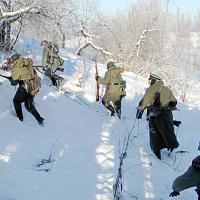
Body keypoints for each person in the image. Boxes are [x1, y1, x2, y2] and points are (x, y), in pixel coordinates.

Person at [136, 72, 179, 159]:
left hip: (156, 116)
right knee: (169, 132)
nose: (150, 82)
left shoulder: (151, 89)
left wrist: (139, 113)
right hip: (168, 115)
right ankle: (171, 148)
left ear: (154, 80)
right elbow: (174, 102)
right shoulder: (167, 89)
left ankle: (157, 152)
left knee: (155, 134)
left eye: (151, 80)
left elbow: (144, 102)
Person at [9, 54, 44, 126]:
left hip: (24, 88)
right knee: (28, 105)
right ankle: (39, 118)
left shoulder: (17, 67)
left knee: (16, 101)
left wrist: (11, 79)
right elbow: (32, 74)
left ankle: (20, 118)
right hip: (34, 87)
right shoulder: (28, 62)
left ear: (15, 60)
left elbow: (13, 83)